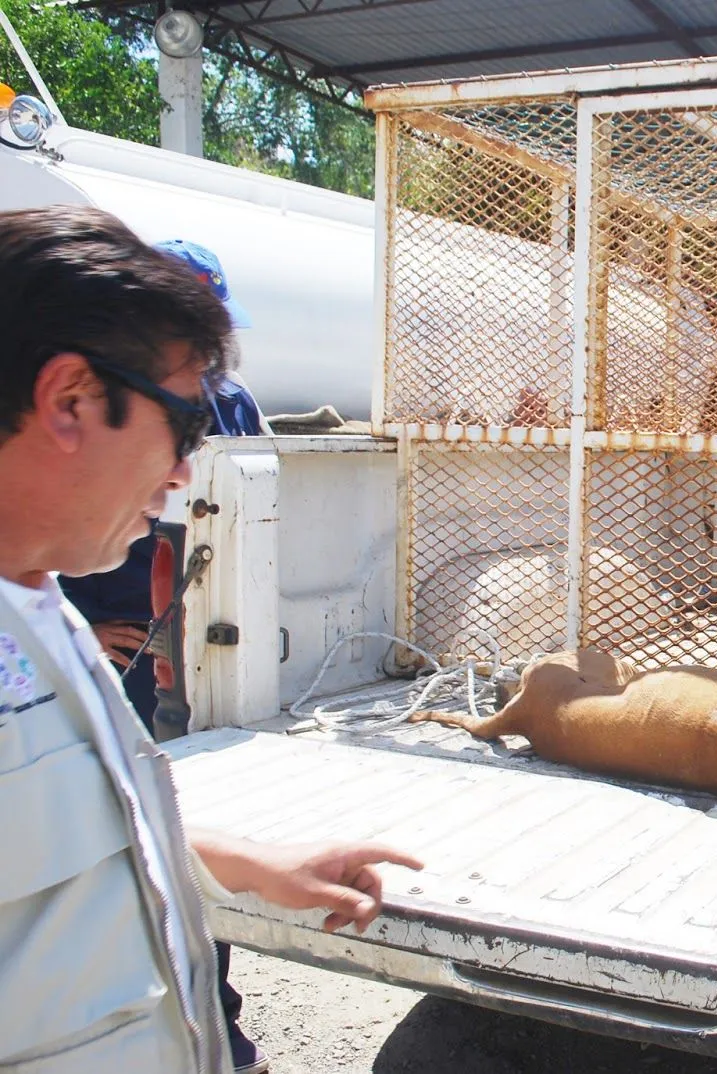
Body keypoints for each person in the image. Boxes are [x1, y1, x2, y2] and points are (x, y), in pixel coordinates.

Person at [0, 204, 424, 1074]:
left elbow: (75, 830)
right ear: (71, 399)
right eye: (186, 427)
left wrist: (256, 865)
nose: (188, 473)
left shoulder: (43, 611)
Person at [56, 237, 275, 1072]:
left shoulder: (233, 405)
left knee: (172, 803)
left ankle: (217, 1023)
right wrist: (108, 632)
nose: (180, 469)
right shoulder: (43, 604)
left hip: (187, 635)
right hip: (130, 638)